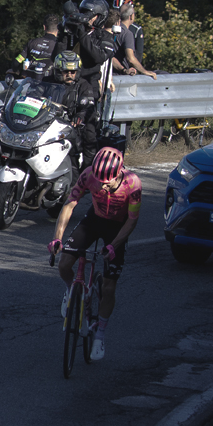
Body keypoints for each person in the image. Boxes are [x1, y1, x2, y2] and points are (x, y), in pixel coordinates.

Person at [47, 146, 141, 360]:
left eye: (107, 183)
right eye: (99, 181)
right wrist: (57, 237)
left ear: (118, 174)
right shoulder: (89, 174)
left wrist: (114, 245)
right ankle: (72, 290)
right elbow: (70, 204)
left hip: (118, 228)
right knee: (63, 264)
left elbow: (132, 220)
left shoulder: (133, 184)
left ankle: (99, 334)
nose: (102, 185)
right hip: (95, 220)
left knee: (109, 286)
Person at [111, 0, 157, 79]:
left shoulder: (108, 28)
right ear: (131, 16)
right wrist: (144, 71)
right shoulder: (128, 33)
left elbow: (110, 56)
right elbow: (131, 58)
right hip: (121, 76)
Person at [17, 13, 63, 79]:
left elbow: (17, 61)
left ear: (44, 27)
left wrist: (15, 70)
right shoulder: (59, 46)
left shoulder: (32, 42)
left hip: (29, 83)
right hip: (48, 83)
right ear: (58, 28)